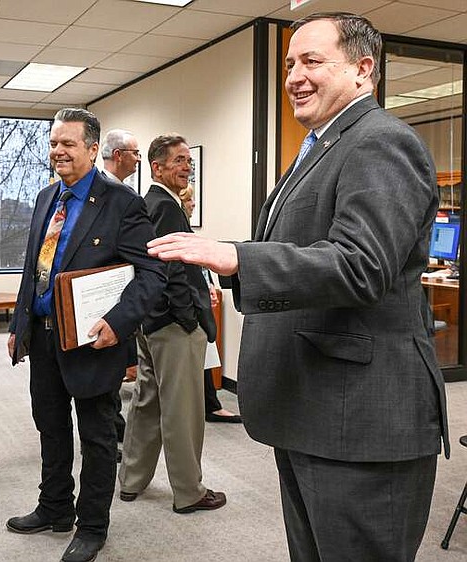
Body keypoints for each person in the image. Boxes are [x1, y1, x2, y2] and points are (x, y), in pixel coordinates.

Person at [147, 12, 449, 561]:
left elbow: (362, 265)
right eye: (289, 64)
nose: (293, 76)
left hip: (359, 421)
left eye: (312, 61)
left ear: (363, 70)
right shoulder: (323, 144)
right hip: (314, 410)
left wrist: (238, 258)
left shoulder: (381, 142)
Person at [6, 108, 166, 562]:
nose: (58, 151)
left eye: (68, 144)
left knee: (96, 437)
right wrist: (20, 324)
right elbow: (34, 270)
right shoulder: (44, 199)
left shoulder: (121, 203)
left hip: (94, 341)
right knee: (51, 428)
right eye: (54, 143)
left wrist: (118, 324)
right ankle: (53, 506)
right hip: (43, 338)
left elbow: (152, 274)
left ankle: (91, 526)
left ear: (93, 150)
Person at [118, 134, 224, 514]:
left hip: (152, 322)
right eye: (178, 161)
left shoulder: (153, 203)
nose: (186, 167)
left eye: (188, 162)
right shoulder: (164, 205)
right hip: (173, 326)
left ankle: (131, 480)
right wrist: (187, 315)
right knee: (182, 410)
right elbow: (172, 268)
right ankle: (189, 491)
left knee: (147, 402)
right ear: (157, 167)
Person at [178, 186, 241, 424]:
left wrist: (211, 286)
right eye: (190, 199)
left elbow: (202, 264)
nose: (194, 203)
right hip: (189, 304)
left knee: (207, 353)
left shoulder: (190, 230)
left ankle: (211, 404)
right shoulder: (174, 222)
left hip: (201, 298)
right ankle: (210, 405)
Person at [99, 128, 143, 455]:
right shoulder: (103, 193)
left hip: (119, 298)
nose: (139, 159)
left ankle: (111, 428)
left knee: (111, 375)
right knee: (103, 377)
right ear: (119, 156)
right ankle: (107, 431)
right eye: (135, 153)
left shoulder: (126, 195)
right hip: (99, 298)